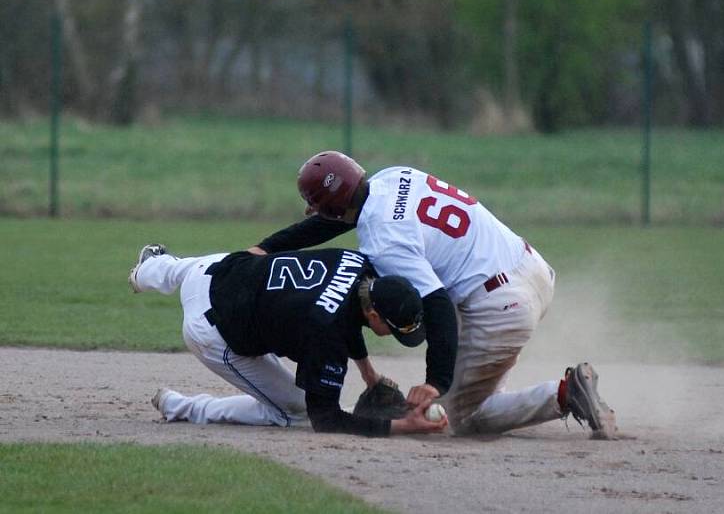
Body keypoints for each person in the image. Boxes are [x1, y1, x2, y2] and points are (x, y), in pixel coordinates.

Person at [247, 151, 616, 438]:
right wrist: (267, 248)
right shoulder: (394, 176)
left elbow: (436, 302)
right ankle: (480, 383)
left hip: (499, 306)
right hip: (531, 268)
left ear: (329, 206)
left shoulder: (383, 242)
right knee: (468, 382)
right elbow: (335, 219)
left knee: (462, 417)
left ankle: (565, 393)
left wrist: (434, 381)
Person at [128, 243, 447, 437]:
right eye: (393, 329)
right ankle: (184, 407)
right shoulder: (326, 334)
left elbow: (342, 310)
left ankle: (151, 268)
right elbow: (325, 418)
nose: (394, 334)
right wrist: (404, 427)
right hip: (212, 329)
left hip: (218, 267)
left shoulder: (358, 264)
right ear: (375, 316)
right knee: (292, 413)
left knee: (189, 270)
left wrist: (369, 375)